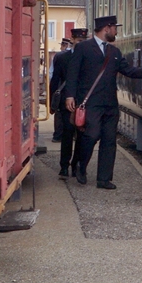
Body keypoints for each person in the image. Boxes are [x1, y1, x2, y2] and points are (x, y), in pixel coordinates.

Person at [63, 15, 142, 189]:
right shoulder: (83, 48)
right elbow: (73, 73)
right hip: (90, 102)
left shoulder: (114, 52)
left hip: (110, 103)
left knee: (109, 140)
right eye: (115, 28)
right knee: (91, 134)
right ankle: (81, 164)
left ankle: (104, 179)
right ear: (106, 28)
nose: (116, 31)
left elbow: (127, 70)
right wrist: (70, 96)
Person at [53, 28, 89, 174]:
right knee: (67, 134)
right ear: (72, 40)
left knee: (81, 135)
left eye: (83, 41)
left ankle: (76, 165)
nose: (81, 43)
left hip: (83, 102)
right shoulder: (62, 58)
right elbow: (55, 80)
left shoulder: (89, 57)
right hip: (66, 102)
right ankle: (64, 166)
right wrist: (52, 103)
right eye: (79, 41)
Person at [48, 35, 76, 144]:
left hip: (62, 91)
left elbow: (52, 76)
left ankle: (58, 135)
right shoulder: (62, 56)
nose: (62, 47)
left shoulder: (59, 56)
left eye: (63, 44)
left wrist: (52, 97)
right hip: (66, 91)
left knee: (60, 115)